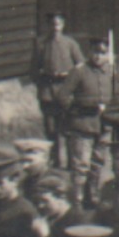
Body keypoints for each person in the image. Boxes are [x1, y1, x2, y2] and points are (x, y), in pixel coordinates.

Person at [56, 37, 119, 209]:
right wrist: (79, 109)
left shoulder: (113, 71)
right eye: (95, 52)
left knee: (98, 164)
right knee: (80, 166)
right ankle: (77, 201)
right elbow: (63, 96)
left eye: (103, 53)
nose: (98, 57)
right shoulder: (79, 71)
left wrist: (113, 111)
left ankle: (92, 197)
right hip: (82, 125)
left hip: (105, 126)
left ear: (108, 54)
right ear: (89, 52)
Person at [30, 12, 84, 167]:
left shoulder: (70, 44)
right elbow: (33, 70)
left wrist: (70, 78)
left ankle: (71, 162)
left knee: (68, 128)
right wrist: (44, 78)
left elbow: (80, 67)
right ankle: (55, 162)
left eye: (58, 24)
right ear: (48, 26)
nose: (55, 28)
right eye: (52, 24)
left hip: (66, 91)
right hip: (48, 91)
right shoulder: (41, 44)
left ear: (63, 25)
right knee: (51, 129)